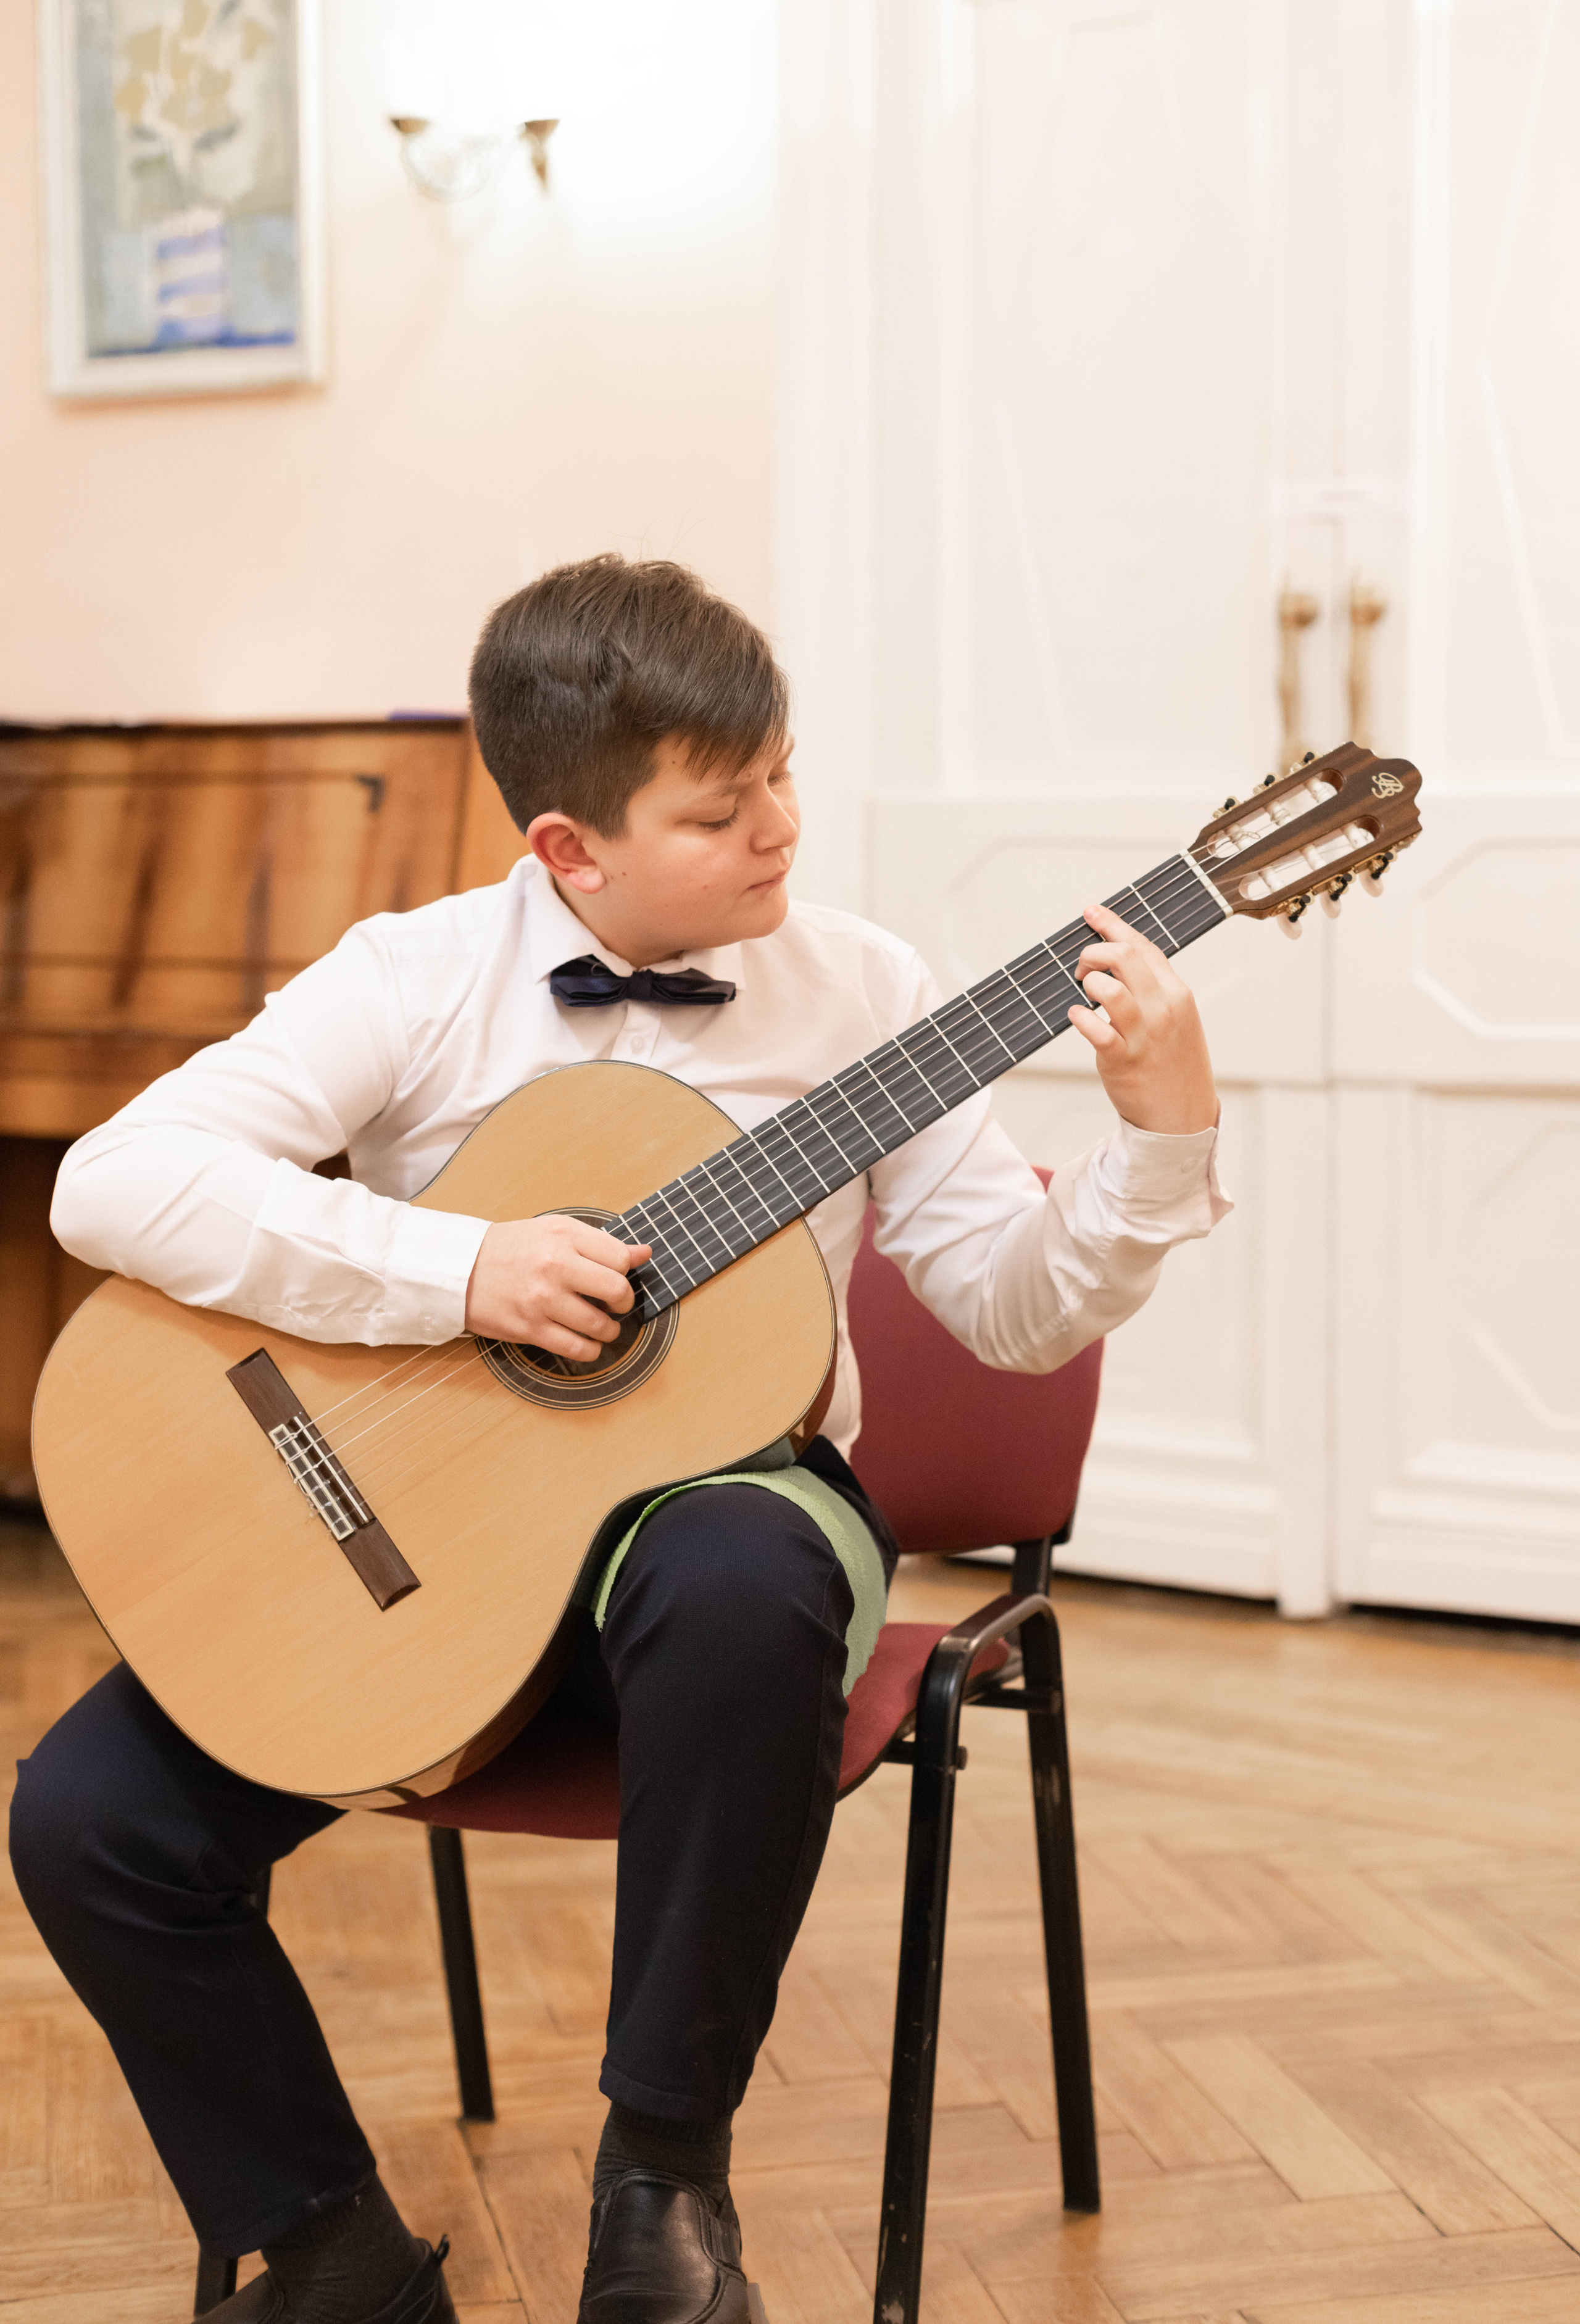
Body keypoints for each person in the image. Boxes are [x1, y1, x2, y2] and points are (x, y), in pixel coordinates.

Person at [10, 555, 1229, 2324]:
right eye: (723, 809)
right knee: (89, 1818)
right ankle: (325, 2250)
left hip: (730, 1530)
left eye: (788, 776)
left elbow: (1013, 1312)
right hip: (432, 1558)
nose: (782, 830)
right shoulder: (416, 977)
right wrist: (459, 1267)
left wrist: (1159, 1143)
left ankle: (662, 2197)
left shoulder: (869, 989)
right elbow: (115, 1184)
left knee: (737, 1580)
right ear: (568, 849)